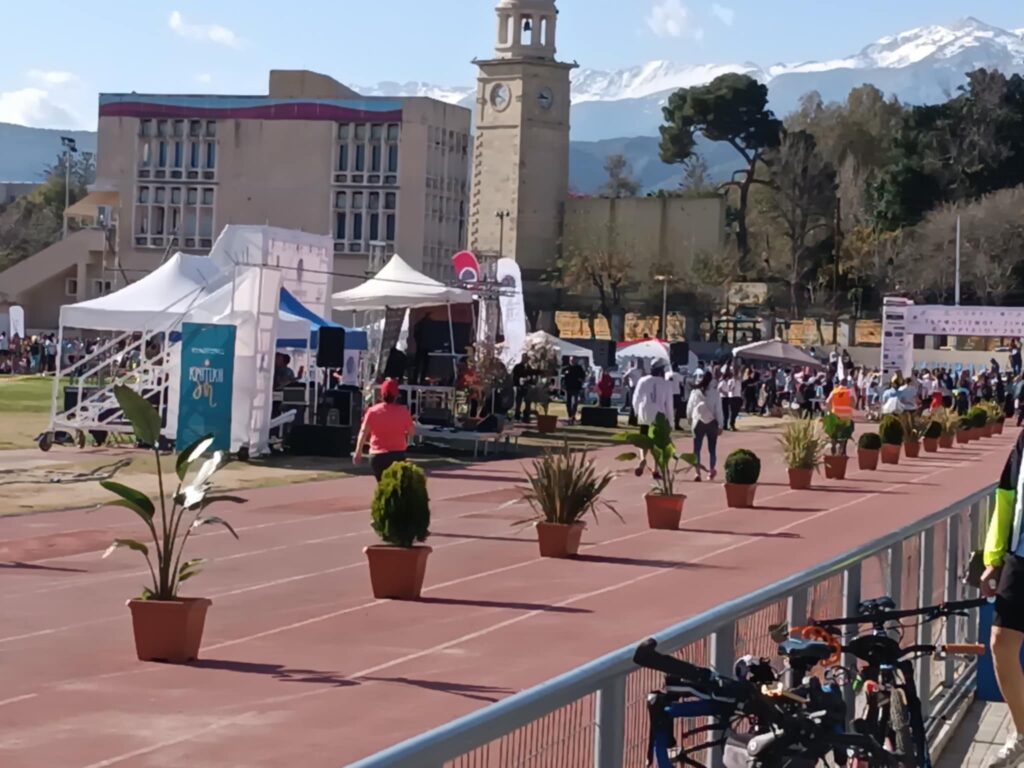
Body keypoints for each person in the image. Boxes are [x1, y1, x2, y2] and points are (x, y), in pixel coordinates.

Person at [982, 429, 1024, 767]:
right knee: (1001, 642)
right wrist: (994, 559)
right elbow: (1006, 496)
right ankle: (1023, 732)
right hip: (1020, 557)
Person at [354, 379, 416, 481]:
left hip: (377, 456)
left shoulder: (372, 411)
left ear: (382, 394)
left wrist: (358, 452)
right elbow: (412, 433)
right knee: (395, 484)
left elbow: (363, 432)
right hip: (397, 455)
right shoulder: (403, 411)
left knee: (382, 483)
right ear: (396, 396)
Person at [631, 361, 675, 477]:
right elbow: (669, 405)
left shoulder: (642, 380)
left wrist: (636, 412)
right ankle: (655, 469)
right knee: (658, 443)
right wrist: (671, 422)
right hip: (659, 416)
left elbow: (636, 398)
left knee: (643, 439)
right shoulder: (666, 384)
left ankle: (642, 459)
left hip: (645, 414)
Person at [687, 370, 723, 482]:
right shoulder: (715, 392)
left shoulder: (695, 392)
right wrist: (721, 424)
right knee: (712, 449)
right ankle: (711, 470)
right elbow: (718, 410)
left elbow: (689, 408)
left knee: (697, 448)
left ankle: (697, 472)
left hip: (698, 421)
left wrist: (689, 419)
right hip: (712, 421)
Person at [562, 357, 586, 424]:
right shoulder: (567, 368)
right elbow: (564, 378)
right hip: (569, 387)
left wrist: (581, 380)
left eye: (573, 360)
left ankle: (573, 415)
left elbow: (583, 376)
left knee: (575, 402)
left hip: (576, 387)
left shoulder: (579, 368)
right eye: (571, 360)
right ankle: (570, 415)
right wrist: (564, 385)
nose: (572, 361)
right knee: (568, 402)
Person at [511, 353, 534, 422]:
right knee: (518, 403)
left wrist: (530, 381)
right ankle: (517, 416)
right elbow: (514, 376)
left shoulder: (529, 367)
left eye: (526, 358)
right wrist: (517, 384)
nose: (525, 360)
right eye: (524, 358)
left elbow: (532, 377)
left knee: (528, 403)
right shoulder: (517, 367)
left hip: (527, 387)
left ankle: (526, 417)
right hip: (519, 387)